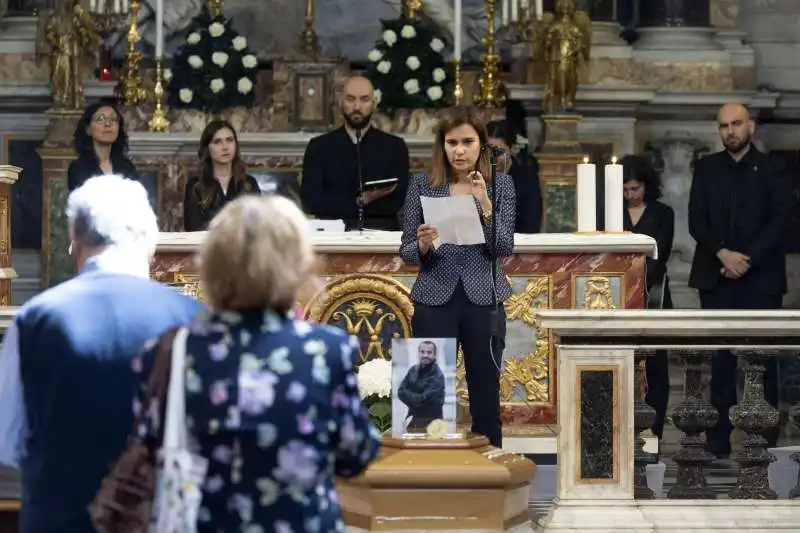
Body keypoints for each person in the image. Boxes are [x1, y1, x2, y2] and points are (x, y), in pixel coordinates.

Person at [132, 195, 380, 532]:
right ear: (296, 266)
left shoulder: (171, 350)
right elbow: (356, 455)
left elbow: (144, 443)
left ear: (212, 266)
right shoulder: (325, 351)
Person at [0, 175, 203, 533]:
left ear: (74, 240)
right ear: (151, 242)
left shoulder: (35, 318)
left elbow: (9, 441)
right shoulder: (195, 320)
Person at [399, 106, 516, 448]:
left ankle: (490, 467)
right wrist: (421, 245)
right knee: (430, 392)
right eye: (452, 142)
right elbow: (406, 250)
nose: (460, 150)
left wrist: (485, 206)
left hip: (484, 298)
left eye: (467, 142)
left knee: (485, 390)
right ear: (442, 146)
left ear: (482, 145)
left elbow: (503, 246)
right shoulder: (423, 184)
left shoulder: (500, 185)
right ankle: (431, 468)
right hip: (435, 296)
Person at [688, 102, 794, 457]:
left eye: (736, 124)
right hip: (717, 275)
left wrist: (745, 260)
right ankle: (718, 441)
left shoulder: (774, 168)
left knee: (762, 359)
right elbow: (696, 221)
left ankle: (763, 438)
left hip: (759, 277)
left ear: (751, 126)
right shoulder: (705, 168)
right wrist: (723, 254)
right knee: (719, 361)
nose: (730, 131)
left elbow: (781, 221)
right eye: (724, 126)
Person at [301, 75, 410, 230]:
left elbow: (396, 201)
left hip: (381, 234)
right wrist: (361, 201)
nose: (357, 107)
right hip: (333, 234)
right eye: (350, 99)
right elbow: (311, 201)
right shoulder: (319, 147)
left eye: (364, 100)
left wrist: (340, 203)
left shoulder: (395, 147)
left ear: (374, 103)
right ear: (340, 101)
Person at [620, 154, 675, 440]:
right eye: (625, 190)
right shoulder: (612, 210)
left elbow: (660, 256)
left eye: (635, 189)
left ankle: (654, 431)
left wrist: (635, 285)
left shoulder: (663, 213)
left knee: (655, 367)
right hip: (617, 298)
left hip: (652, 296)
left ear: (646, 186)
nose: (630, 195)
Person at [183, 120, 261, 231]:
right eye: (217, 142)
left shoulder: (249, 183)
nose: (225, 147)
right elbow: (192, 228)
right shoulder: (195, 186)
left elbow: (257, 226)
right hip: (208, 246)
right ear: (207, 148)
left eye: (229, 140)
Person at [67, 99, 139, 192]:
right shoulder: (78, 168)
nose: (108, 124)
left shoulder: (127, 167)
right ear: (88, 129)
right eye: (100, 119)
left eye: (113, 119)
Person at [487, 119, 543, 233]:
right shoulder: (473, 175)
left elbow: (531, 224)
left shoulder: (526, 179)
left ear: (511, 149)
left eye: (499, 152)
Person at [398, 340, 445, 432]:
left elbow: (423, 399)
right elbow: (400, 391)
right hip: (414, 421)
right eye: (422, 352)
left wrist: (410, 395)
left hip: (433, 425)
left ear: (434, 355)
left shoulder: (437, 375)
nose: (425, 355)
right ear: (419, 353)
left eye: (429, 352)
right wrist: (417, 398)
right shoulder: (413, 370)